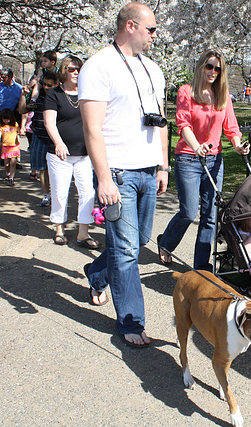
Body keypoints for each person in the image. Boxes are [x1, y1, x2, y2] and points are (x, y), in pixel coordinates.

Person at [79, 2, 169, 348]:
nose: (155, 36)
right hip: (117, 173)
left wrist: (163, 165)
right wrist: (103, 179)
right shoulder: (99, 66)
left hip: (148, 170)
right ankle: (131, 321)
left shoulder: (153, 69)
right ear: (130, 26)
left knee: (138, 240)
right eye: (152, 30)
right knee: (128, 249)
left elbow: (161, 121)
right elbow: (92, 130)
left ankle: (96, 273)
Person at [157, 48, 248, 271]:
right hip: (189, 159)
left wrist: (238, 145)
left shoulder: (223, 95)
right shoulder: (186, 92)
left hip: (215, 161)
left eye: (218, 68)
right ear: (200, 66)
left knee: (210, 216)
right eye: (209, 66)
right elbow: (183, 124)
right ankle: (166, 243)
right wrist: (196, 146)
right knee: (188, 212)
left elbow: (231, 127)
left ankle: (201, 267)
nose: (213, 71)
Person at [44, 55, 97, 248]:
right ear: (63, 70)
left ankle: (84, 232)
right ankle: (59, 227)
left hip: (84, 153)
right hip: (60, 153)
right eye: (71, 69)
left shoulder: (87, 93)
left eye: (78, 69)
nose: (75, 72)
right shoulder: (54, 94)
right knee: (60, 192)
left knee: (87, 192)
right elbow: (50, 122)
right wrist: (58, 143)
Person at [18, 71, 59, 207]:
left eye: (50, 85)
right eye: (44, 85)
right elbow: (23, 110)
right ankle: (46, 194)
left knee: (54, 169)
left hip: (55, 138)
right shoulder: (39, 98)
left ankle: (56, 194)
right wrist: (23, 96)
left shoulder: (59, 98)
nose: (47, 87)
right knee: (42, 168)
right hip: (40, 136)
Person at [0, 108, 20, 185]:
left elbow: (19, 131)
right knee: (6, 163)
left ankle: (11, 178)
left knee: (13, 162)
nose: (6, 121)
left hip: (14, 146)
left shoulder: (15, 125)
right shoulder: (1, 126)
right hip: (5, 147)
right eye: (4, 119)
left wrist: (21, 130)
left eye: (8, 119)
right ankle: (8, 173)